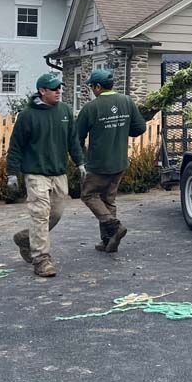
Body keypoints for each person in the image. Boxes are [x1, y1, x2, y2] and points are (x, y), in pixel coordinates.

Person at [6, 73, 85, 278]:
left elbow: (73, 141)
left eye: (60, 88)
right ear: (42, 91)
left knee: (55, 214)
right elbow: (16, 147)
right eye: (54, 88)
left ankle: (27, 239)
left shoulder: (65, 111)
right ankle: (41, 259)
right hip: (35, 173)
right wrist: (12, 174)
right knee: (40, 213)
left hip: (58, 172)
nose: (59, 91)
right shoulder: (27, 116)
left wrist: (81, 163)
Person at [74, 68, 148, 254]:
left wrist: (81, 158)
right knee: (108, 199)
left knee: (89, 195)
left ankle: (114, 227)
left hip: (99, 164)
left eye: (92, 86)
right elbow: (140, 128)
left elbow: (76, 138)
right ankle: (109, 241)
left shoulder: (91, 108)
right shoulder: (127, 101)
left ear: (98, 87)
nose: (92, 90)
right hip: (119, 161)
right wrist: (121, 130)